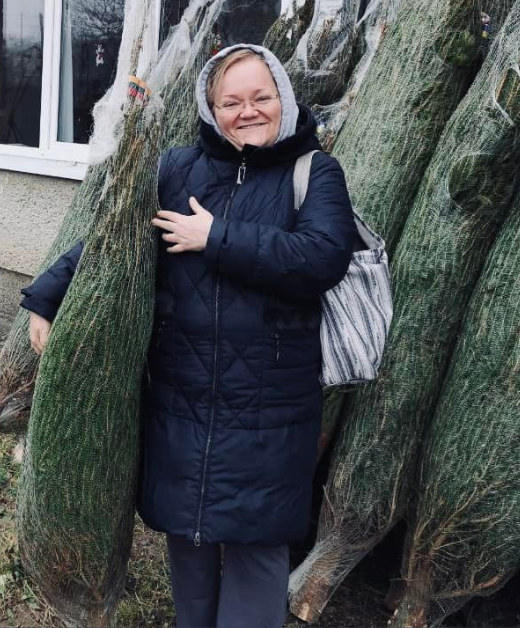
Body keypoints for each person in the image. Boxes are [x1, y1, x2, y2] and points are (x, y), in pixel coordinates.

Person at [19, 45, 357, 628]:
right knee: (190, 530)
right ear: (210, 106)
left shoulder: (315, 172)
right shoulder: (176, 169)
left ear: (284, 99)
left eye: (261, 97)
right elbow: (111, 238)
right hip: (184, 389)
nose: (246, 111)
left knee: (257, 542)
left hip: (269, 401)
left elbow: (323, 258)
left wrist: (215, 236)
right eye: (231, 101)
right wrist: (46, 295)